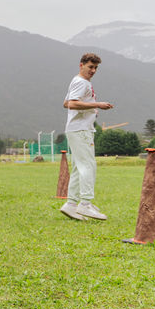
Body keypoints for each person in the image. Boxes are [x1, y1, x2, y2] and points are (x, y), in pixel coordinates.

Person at [59, 53, 114, 221]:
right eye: (90, 67)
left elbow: (66, 102)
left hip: (79, 129)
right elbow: (72, 104)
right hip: (81, 130)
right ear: (81, 65)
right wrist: (97, 104)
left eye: (96, 68)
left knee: (78, 167)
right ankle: (85, 204)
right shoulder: (81, 82)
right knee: (88, 166)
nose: (93, 70)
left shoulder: (79, 82)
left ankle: (71, 204)